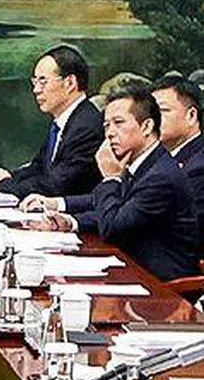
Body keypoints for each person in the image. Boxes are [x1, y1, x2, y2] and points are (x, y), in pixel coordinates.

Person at [26, 90, 199, 281]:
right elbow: (118, 210)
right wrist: (70, 222)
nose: (109, 133)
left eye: (119, 123)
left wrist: (110, 178)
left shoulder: (159, 176)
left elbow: (113, 226)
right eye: (106, 125)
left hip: (160, 285)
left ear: (147, 126)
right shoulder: (144, 163)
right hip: (131, 271)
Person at [0, 44, 103, 199]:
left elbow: (56, 185)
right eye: (35, 82)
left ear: (70, 83)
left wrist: (3, 184)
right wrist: (7, 176)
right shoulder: (63, 122)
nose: (36, 90)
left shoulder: (86, 126)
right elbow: (39, 168)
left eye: (43, 81)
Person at [151, 72, 204, 249]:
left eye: (162, 111)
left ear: (191, 115)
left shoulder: (198, 166)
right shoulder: (160, 156)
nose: (153, 120)